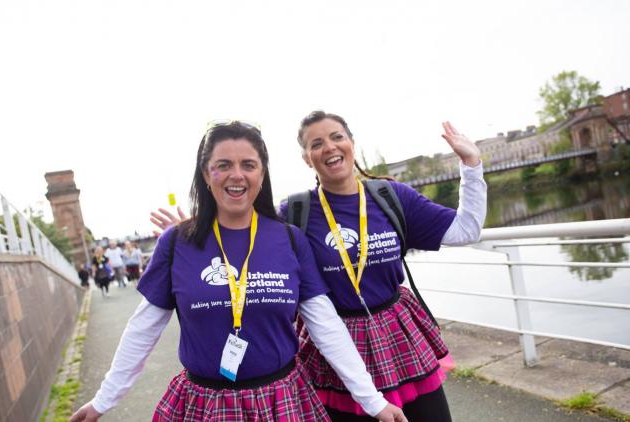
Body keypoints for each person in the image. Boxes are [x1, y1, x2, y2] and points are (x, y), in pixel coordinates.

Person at [152, 112, 487, 421]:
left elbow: (466, 230)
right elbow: (245, 233)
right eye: (316, 144)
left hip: (397, 337)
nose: (329, 147)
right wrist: (200, 236)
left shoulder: (392, 197)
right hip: (332, 347)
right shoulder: (294, 212)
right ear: (306, 158)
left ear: (351, 143)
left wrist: (471, 166)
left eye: (337, 136)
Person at [70, 121, 406, 422]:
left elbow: (325, 326)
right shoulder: (177, 243)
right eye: (223, 165)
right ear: (206, 174)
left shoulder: (289, 239)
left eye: (249, 165)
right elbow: (142, 329)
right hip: (205, 405)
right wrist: (104, 399)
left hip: (283, 401)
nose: (237, 175)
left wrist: (372, 400)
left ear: (262, 174)